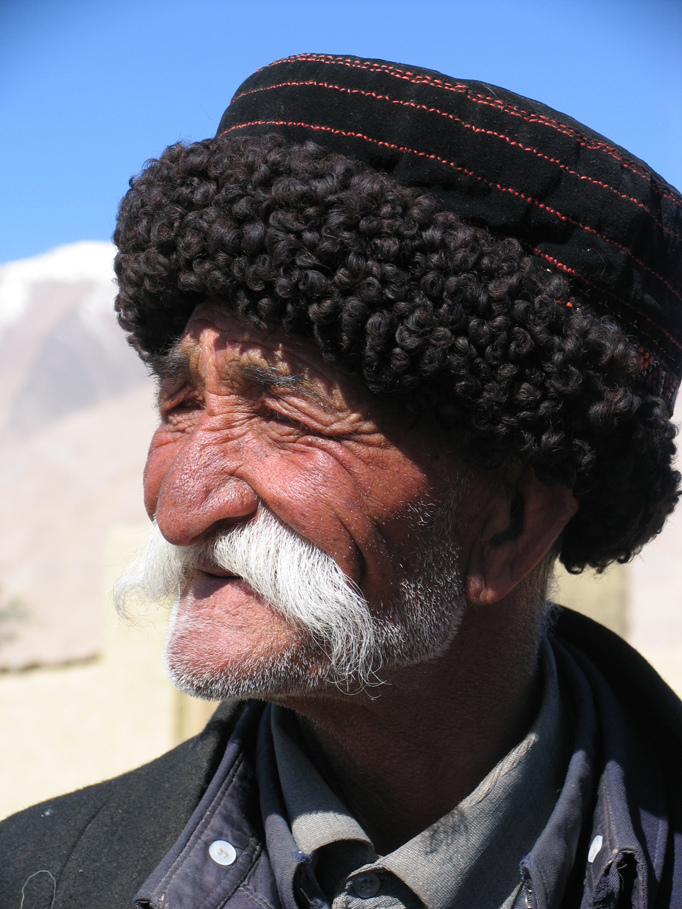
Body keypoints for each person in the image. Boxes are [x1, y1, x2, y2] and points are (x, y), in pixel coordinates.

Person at [2, 53, 682, 909]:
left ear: (509, 522)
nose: (180, 509)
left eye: (284, 418)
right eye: (181, 405)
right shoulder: (42, 880)